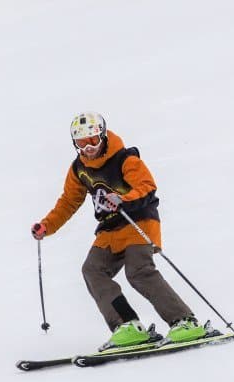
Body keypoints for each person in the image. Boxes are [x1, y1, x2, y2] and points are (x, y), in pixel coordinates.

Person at [31, 112, 206, 350]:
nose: (88, 147)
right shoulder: (79, 169)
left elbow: (147, 187)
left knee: (138, 271)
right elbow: (68, 202)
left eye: (93, 140)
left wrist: (124, 199)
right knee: (92, 270)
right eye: (81, 143)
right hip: (110, 230)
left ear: (103, 136)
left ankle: (185, 321)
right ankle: (127, 326)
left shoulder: (125, 159)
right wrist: (47, 225)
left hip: (137, 221)